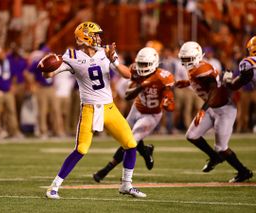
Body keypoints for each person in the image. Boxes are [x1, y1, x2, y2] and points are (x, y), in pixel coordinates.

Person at [44, 21, 146, 199]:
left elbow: (127, 74)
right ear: (85, 36)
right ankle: (54, 186)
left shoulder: (105, 52)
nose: (99, 38)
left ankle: (126, 185)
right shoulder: (71, 55)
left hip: (109, 107)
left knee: (131, 144)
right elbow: (50, 74)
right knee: (81, 149)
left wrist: (113, 59)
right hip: (90, 110)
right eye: (95, 35)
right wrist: (46, 67)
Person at [93, 47, 175, 183]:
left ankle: (106, 170)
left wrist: (168, 102)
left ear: (154, 63)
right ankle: (145, 151)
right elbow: (127, 95)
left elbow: (170, 103)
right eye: (140, 64)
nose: (142, 67)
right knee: (126, 137)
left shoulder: (163, 77)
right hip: (136, 108)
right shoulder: (136, 72)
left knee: (130, 141)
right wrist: (142, 86)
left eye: (145, 64)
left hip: (152, 115)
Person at [176, 41, 253, 183]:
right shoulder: (196, 68)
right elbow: (203, 80)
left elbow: (214, 91)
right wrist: (187, 82)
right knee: (192, 135)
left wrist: (202, 110)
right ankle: (214, 157)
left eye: (188, 59)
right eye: (184, 59)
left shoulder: (203, 68)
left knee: (221, 147)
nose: (185, 62)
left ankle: (243, 172)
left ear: (197, 56)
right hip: (212, 108)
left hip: (224, 110)